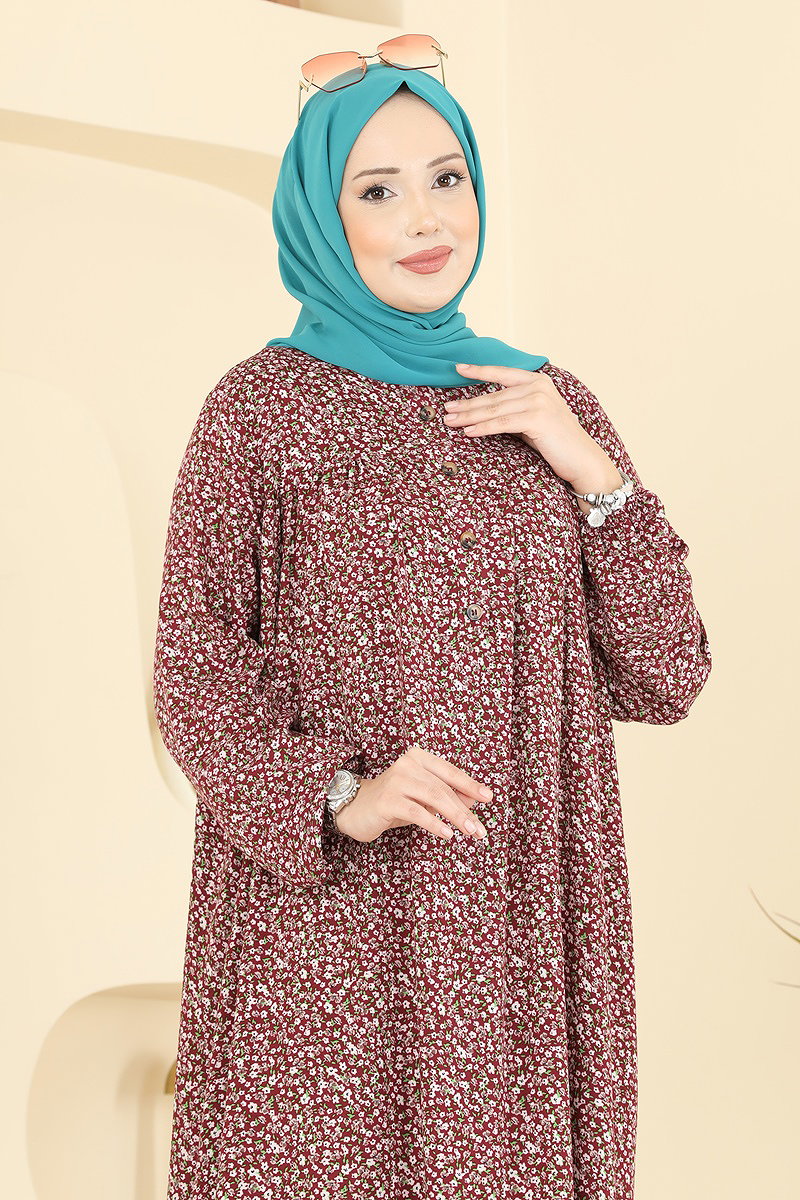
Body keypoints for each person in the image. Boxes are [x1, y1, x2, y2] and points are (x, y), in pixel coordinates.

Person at [152, 50, 712, 1200]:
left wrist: (594, 476)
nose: (425, 218)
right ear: (321, 215)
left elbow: (665, 673)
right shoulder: (259, 411)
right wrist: (335, 794)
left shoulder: (542, 399)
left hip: (515, 917)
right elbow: (194, 668)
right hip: (332, 927)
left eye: (446, 178)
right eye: (377, 189)